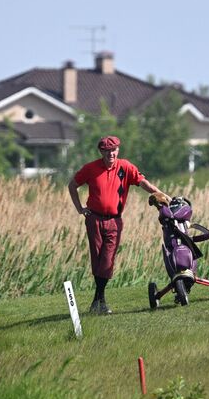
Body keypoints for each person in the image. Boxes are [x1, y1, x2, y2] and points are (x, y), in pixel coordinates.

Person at [68, 135, 166, 315]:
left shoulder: (125, 167)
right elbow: (72, 185)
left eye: (113, 150)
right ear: (101, 152)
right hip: (94, 219)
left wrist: (161, 194)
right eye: (106, 151)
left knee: (107, 261)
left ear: (118, 150)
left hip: (114, 220)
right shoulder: (90, 168)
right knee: (97, 260)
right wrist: (80, 209)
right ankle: (100, 302)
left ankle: (98, 300)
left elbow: (142, 182)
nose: (110, 154)